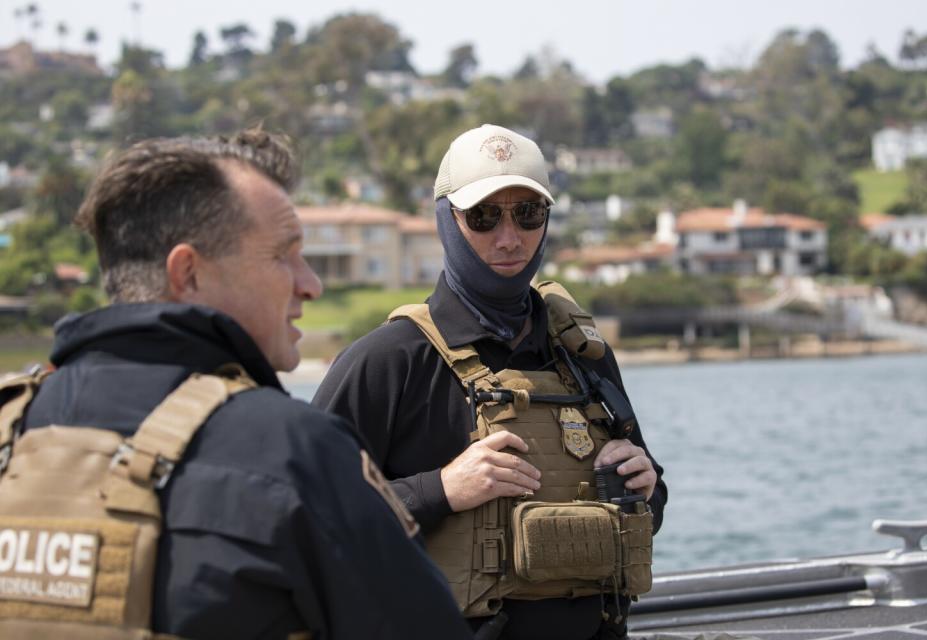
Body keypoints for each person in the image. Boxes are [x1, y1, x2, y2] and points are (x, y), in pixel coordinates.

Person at [3, 130, 472, 639]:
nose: (310, 284)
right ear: (188, 273)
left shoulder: (11, 426)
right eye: (283, 256)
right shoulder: (292, 451)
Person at [313, 124, 668, 640]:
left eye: (528, 214)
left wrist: (646, 485)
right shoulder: (389, 361)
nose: (509, 237)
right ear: (447, 221)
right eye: (483, 217)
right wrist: (439, 490)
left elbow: (650, 511)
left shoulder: (582, 353)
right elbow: (308, 521)